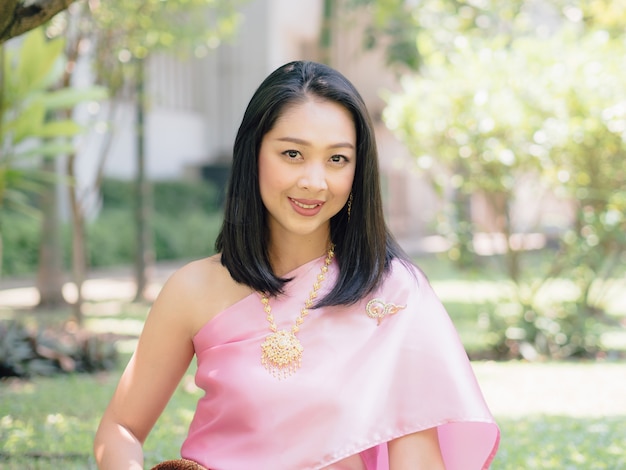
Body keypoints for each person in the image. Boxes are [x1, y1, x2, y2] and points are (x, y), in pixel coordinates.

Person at [94, 60, 500, 470]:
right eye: (292, 153)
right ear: (254, 153)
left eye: (337, 159)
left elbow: (417, 453)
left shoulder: (393, 293)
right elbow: (121, 428)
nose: (314, 181)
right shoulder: (192, 290)